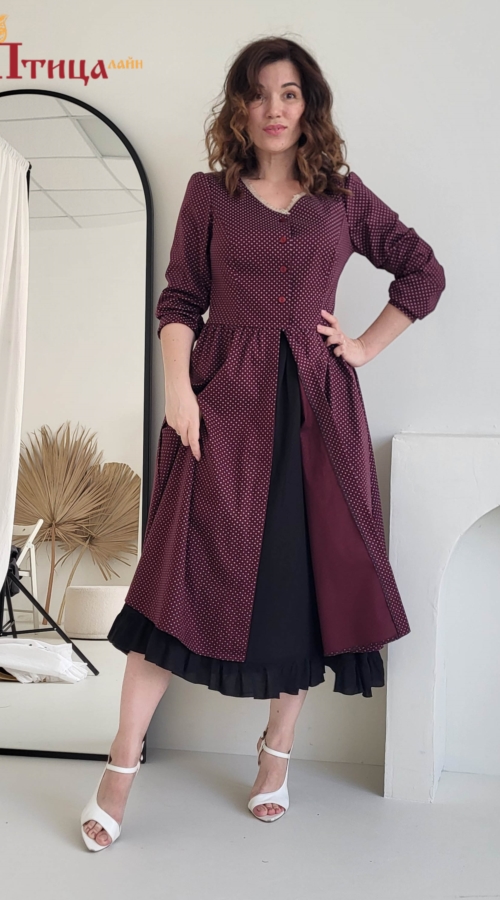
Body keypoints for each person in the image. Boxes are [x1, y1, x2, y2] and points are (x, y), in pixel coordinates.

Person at [81, 35, 446, 850]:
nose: (274, 109)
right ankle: (120, 764)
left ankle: (276, 753)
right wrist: (179, 391)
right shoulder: (209, 194)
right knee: (172, 582)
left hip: (316, 416)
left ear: (307, 105)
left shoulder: (342, 198)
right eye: (258, 94)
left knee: (300, 587)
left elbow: (422, 272)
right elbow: (180, 298)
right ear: (239, 108)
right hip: (219, 407)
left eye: (288, 93)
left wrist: (364, 346)